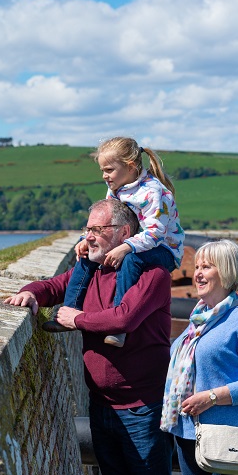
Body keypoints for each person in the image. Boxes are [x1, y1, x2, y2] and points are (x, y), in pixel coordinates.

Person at [5, 198, 174, 475]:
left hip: (142, 409)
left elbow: (126, 318)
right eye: (87, 229)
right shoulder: (92, 270)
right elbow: (55, 286)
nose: (89, 237)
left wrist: (78, 319)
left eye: (97, 229)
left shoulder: (153, 274)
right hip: (101, 404)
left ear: (124, 233)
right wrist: (29, 293)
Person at [160, 239, 238, 475]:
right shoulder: (198, 321)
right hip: (188, 433)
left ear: (226, 271)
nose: (197, 274)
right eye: (196, 267)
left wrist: (212, 397)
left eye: (206, 267)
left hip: (228, 437)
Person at [63, 136, 184, 347]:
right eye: (102, 170)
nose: (104, 176)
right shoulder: (116, 188)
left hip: (165, 248)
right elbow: (106, 219)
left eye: (109, 170)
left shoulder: (153, 192)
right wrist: (86, 239)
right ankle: (68, 312)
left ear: (130, 166)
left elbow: (155, 233)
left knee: (131, 261)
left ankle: (119, 327)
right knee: (88, 256)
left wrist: (125, 248)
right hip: (133, 242)